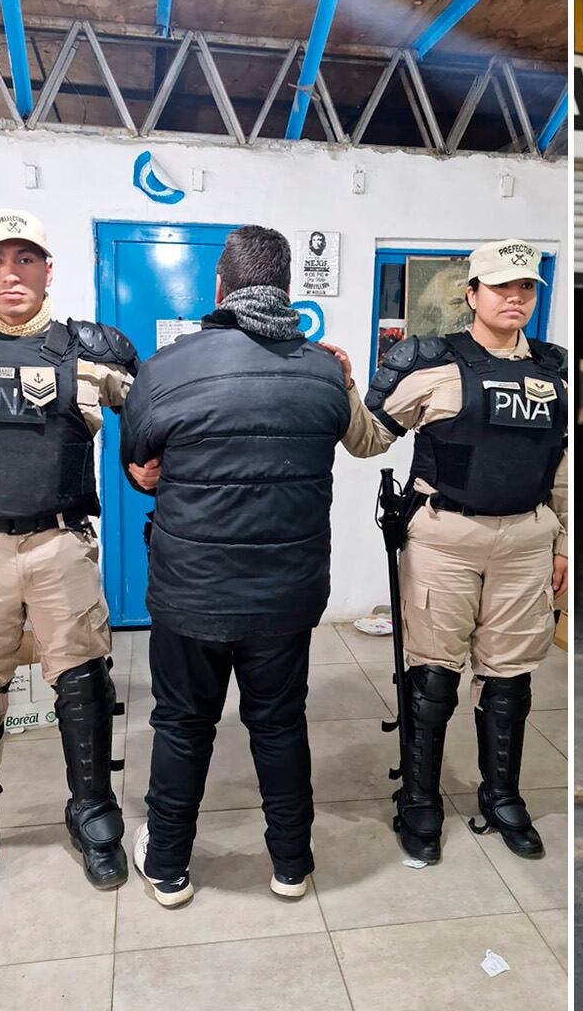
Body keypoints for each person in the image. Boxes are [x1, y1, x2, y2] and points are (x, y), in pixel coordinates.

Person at [118, 225, 352, 906]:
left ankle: (166, 867)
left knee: (183, 724)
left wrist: (164, 472)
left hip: (192, 592)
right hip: (286, 595)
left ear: (218, 288)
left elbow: (140, 466)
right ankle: (290, 866)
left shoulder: (169, 367)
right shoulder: (322, 371)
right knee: (279, 724)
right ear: (287, 290)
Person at [0, 210, 139, 912]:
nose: (12, 273)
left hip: (59, 544)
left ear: (50, 268)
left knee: (82, 682)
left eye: (27, 259)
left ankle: (91, 812)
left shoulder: (92, 351)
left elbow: (163, 410)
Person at [340, 238, 567, 863]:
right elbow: (367, 442)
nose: (515, 298)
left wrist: (562, 542)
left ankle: (502, 795)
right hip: (445, 538)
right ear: (472, 295)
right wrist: (344, 388)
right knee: (433, 676)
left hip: (526, 538)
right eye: (501, 287)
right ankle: (419, 798)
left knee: (511, 679)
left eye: (525, 288)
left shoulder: (554, 368)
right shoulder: (430, 363)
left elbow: (561, 464)